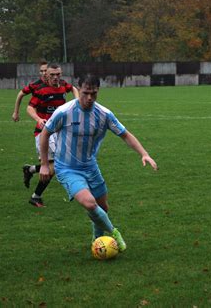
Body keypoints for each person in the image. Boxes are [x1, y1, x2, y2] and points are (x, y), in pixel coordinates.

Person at [38, 74, 158, 251]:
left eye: (93, 93)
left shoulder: (104, 114)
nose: (89, 98)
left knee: (103, 207)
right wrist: (44, 164)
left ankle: (97, 240)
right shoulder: (64, 112)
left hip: (90, 166)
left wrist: (144, 154)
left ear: (98, 91)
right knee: (90, 203)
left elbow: (125, 134)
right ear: (78, 90)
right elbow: (45, 133)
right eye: (85, 93)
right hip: (67, 168)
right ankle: (114, 232)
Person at [22, 63, 79, 207]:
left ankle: (31, 170)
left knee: (57, 164)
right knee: (52, 166)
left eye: (58, 74)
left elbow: (73, 88)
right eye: (52, 75)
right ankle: (36, 196)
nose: (55, 77)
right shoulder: (41, 90)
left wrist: (77, 102)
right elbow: (29, 107)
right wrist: (38, 119)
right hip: (44, 133)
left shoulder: (63, 85)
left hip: (60, 131)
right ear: (46, 75)